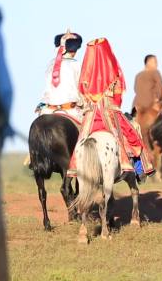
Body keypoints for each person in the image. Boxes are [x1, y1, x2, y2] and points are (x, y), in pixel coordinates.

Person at [68, 38, 154, 180]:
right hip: (110, 112)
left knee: (80, 139)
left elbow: (82, 95)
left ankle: (73, 170)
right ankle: (139, 170)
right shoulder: (114, 72)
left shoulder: (85, 76)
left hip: (91, 117)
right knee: (133, 133)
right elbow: (118, 98)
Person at [37, 30, 84, 122]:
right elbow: (82, 88)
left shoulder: (50, 64)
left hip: (47, 110)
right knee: (87, 130)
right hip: (70, 110)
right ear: (73, 50)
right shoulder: (77, 65)